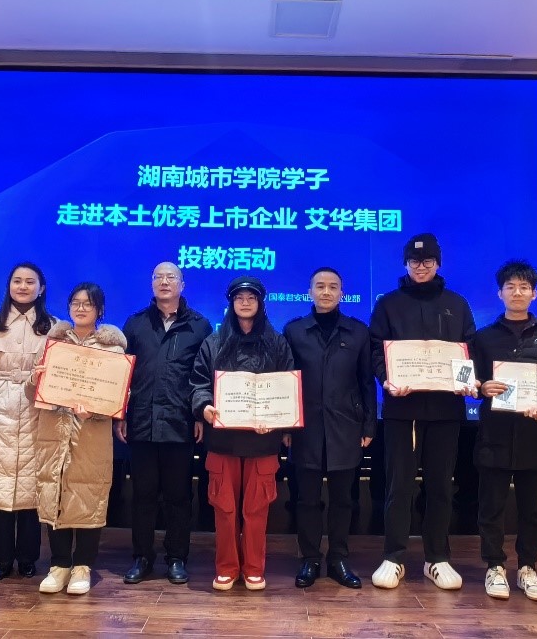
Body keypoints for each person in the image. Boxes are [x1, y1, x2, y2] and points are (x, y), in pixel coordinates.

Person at [368, 233, 477, 591]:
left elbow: (468, 350)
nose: (421, 267)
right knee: (398, 486)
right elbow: (376, 350)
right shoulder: (388, 304)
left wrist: (466, 382)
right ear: (405, 264)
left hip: (446, 409)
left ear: (438, 264)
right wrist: (386, 380)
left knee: (440, 485)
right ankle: (394, 556)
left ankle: (437, 558)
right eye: (414, 261)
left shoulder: (456, 304)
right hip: (402, 409)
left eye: (428, 261)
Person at [470, 260, 537, 602]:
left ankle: (528, 567)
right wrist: (482, 387)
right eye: (510, 287)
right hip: (494, 433)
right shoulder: (483, 336)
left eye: (524, 287)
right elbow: (472, 379)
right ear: (500, 293)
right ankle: (494, 566)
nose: (517, 292)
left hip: (535, 434)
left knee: (532, 508)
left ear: (534, 294)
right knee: (491, 506)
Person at [190, 276, 294, 591]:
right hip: (223, 440)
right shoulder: (213, 342)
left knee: (257, 509)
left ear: (261, 303)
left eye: (251, 298)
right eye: (239, 298)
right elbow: (198, 383)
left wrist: (278, 420)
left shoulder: (277, 342)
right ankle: (226, 567)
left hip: (263, 440)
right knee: (224, 508)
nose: (245, 303)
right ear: (231, 303)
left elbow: (286, 386)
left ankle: (253, 568)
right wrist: (204, 406)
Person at [117, 262, 212, 585]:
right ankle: (142, 557)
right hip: (142, 421)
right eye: (158, 277)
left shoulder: (200, 326)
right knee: (143, 495)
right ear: (151, 283)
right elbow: (122, 375)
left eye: (171, 277)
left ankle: (176, 558)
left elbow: (204, 377)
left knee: (179, 496)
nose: (164, 282)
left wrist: (199, 415)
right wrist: (121, 413)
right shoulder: (136, 324)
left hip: (180, 423)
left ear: (182, 284)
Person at [283, 267, 376, 589]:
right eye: (320, 286)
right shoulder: (294, 331)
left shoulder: (358, 332)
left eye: (333, 287)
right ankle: (309, 558)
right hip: (305, 428)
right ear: (309, 291)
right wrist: (286, 425)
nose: (326, 292)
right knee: (306, 499)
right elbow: (286, 382)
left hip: (345, 426)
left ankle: (338, 558)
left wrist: (369, 424)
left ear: (342, 293)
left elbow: (366, 382)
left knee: (343, 500)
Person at [33, 282, 127, 595]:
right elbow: (34, 393)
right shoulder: (54, 344)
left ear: (100, 310)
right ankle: (59, 564)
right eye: (76, 302)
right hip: (53, 430)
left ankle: (83, 565)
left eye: (88, 303)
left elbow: (119, 398)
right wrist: (36, 380)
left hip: (91, 434)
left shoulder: (113, 351)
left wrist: (96, 411)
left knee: (89, 494)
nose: (81, 308)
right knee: (54, 491)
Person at [0, 262, 55, 581]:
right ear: (9, 286)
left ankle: (29, 558)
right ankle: (1, 558)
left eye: (30, 282)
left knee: (32, 488)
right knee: (0, 490)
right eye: (17, 281)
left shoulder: (55, 327)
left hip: (37, 408)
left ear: (41, 288)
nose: (23, 286)